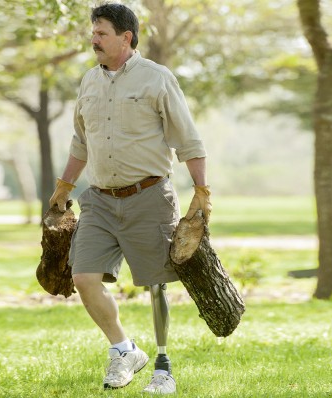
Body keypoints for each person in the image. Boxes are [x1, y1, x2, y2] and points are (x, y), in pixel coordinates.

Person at [48, 2, 211, 395]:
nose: (94, 40)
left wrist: (202, 191)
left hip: (149, 195)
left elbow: (187, 140)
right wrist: (65, 186)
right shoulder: (89, 81)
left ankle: (163, 367)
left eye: (101, 33)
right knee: (84, 277)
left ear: (126, 37)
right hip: (100, 200)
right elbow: (80, 141)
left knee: (156, 284)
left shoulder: (157, 78)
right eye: (93, 32)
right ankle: (124, 349)